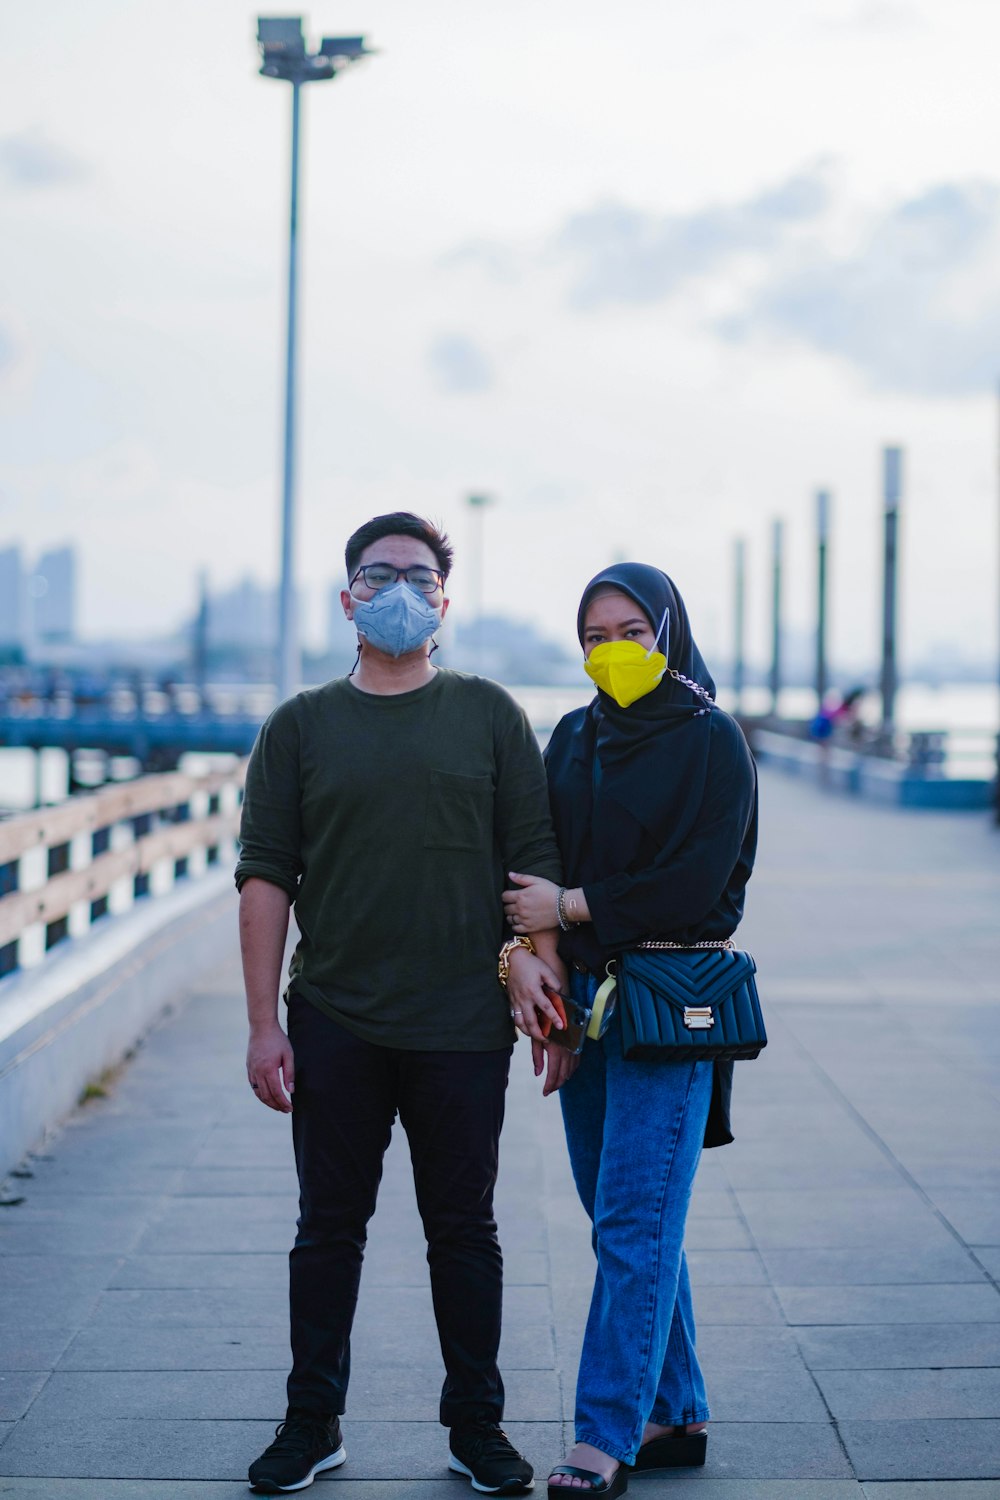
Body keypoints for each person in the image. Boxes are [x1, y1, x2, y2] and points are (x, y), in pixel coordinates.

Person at [236, 512, 566, 1496]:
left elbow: (532, 862)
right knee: (325, 1228)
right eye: (378, 574)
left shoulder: (490, 715)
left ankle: (477, 1426)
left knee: (463, 1229)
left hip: (463, 1023)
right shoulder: (298, 726)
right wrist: (261, 1025)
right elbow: (265, 880)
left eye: (418, 577)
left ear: (443, 603)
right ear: (346, 599)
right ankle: (311, 1422)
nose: (397, 590)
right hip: (334, 1016)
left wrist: (535, 966)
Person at [502, 563, 758, 1498]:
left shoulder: (712, 742)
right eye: (594, 635)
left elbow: (699, 888)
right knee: (630, 1220)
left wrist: (569, 903)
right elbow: (532, 859)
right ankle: (676, 1407)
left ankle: (604, 1434)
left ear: (669, 633)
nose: (612, 650)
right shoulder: (572, 737)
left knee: (632, 1221)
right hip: (589, 1004)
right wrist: (547, 991)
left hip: (672, 1005)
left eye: (631, 631)